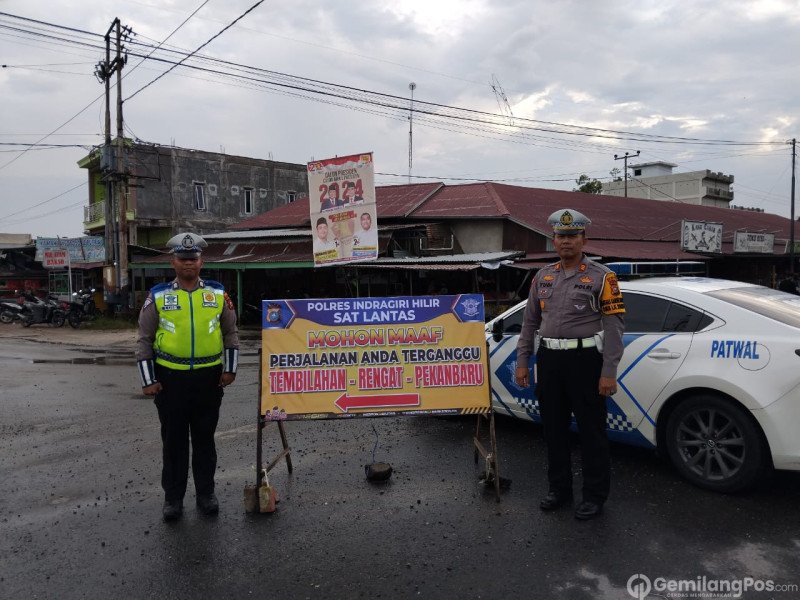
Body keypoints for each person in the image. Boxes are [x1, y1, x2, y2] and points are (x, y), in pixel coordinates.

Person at [514, 209, 625, 521]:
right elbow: (529, 322)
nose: (566, 241)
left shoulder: (604, 277)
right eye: (561, 236)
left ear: (583, 239)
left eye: (572, 236)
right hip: (549, 361)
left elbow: (615, 327)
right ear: (553, 240)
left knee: (592, 433)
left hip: (586, 362)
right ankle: (559, 490)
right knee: (553, 432)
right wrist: (523, 361)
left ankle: (594, 496)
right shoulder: (542, 276)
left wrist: (608, 371)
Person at [135, 232, 240, 522]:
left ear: (201, 262)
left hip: (209, 379)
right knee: (174, 441)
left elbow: (231, 334)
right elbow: (144, 339)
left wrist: (229, 369)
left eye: (193, 259)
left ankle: (206, 494)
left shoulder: (218, 293)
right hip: (170, 381)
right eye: (183, 259)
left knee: (205, 440)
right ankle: (173, 499)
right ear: (174, 262)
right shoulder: (158, 295)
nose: (188, 264)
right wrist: (148, 379)